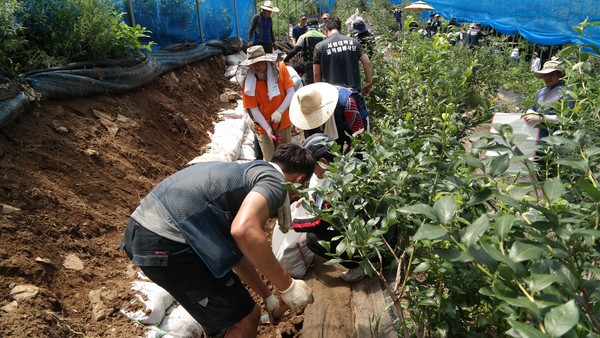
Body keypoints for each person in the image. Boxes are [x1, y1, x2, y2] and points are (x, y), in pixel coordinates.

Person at [120, 143, 316, 338]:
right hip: (167, 241)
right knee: (246, 319)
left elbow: (234, 256)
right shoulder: (274, 181)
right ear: (299, 179)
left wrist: (268, 296)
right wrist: (287, 286)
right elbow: (245, 230)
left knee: (227, 319)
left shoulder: (248, 172)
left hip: (142, 230)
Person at [299, 133, 397, 282]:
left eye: (313, 168)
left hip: (377, 245)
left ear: (324, 161)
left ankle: (367, 264)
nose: (312, 173)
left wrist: (294, 224)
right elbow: (318, 186)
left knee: (313, 239)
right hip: (387, 232)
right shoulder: (351, 162)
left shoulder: (340, 187)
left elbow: (321, 223)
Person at [241, 45, 296, 162]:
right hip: (263, 126)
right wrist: (267, 129)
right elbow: (254, 109)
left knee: (288, 159)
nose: (257, 66)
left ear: (266, 60)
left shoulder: (280, 69)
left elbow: (291, 92)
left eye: (260, 62)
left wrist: (279, 111)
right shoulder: (248, 83)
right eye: (253, 63)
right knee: (270, 162)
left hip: (283, 122)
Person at [523, 57, 574, 174]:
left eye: (551, 74)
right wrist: (530, 110)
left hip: (552, 143)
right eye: (545, 75)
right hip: (536, 140)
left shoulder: (567, 93)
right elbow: (533, 106)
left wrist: (542, 118)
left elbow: (566, 119)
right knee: (538, 174)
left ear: (559, 75)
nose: (547, 77)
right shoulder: (541, 91)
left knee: (549, 174)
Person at [289, 82, 365, 151]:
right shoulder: (308, 103)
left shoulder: (346, 104)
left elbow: (359, 135)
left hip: (346, 125)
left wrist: (348, 156)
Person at [313, 15, 373, 96]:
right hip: (353, 93)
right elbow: (367, 62)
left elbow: (316, 73)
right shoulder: (354, 42)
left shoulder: (319, 46)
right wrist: (368, 82)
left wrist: (319, 93)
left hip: (331, 96)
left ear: (326, 29)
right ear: (340, 29)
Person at [283, 18, 326, 85]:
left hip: (308, 65)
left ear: (307, 26)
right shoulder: (324, 37)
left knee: (309, 86)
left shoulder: (303, 37)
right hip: (321, 66)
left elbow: (295, 50)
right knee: (320, 85)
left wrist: (285, 60)